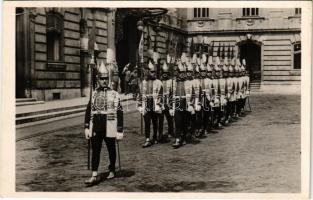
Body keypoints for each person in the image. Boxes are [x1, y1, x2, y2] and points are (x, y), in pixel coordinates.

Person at [84, 60, 124, 186]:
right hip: (97, 125)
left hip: (110, 125)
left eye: (106, 78)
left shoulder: (114, 94)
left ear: (109, 79)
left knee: (111, 149)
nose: (104, 81)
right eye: (102, 79)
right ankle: (94, 174)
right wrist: (86, 127)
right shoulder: (94, 93)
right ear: (98, 80)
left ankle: (112, 169)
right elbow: (89, 110)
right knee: (96, 150)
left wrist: (119, 130)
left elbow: (119, 112)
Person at [137, 57, 163, 147]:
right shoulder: (143, 82)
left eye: (154, 72)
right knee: (147, 122)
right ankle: (147, 138)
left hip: (154, 103)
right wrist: (140, 106)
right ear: (148, 72)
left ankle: (155, 136)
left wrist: (159, 104)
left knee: (155, 122)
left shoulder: (159, 82)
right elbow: (140, 94)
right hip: (146, 103)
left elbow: (160, 94)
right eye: (152, 72)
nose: (153, 73)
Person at [158, 57, 174, 141]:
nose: (165, 74)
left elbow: (172, 92)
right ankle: (160, 134)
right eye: (163, 73)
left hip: (168, 102)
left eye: (166, 73)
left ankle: (171, 131)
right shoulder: (159, 81)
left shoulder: (171, 81)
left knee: (170, 119)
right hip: (161, 103)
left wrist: (171, 104)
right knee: (160, 120)